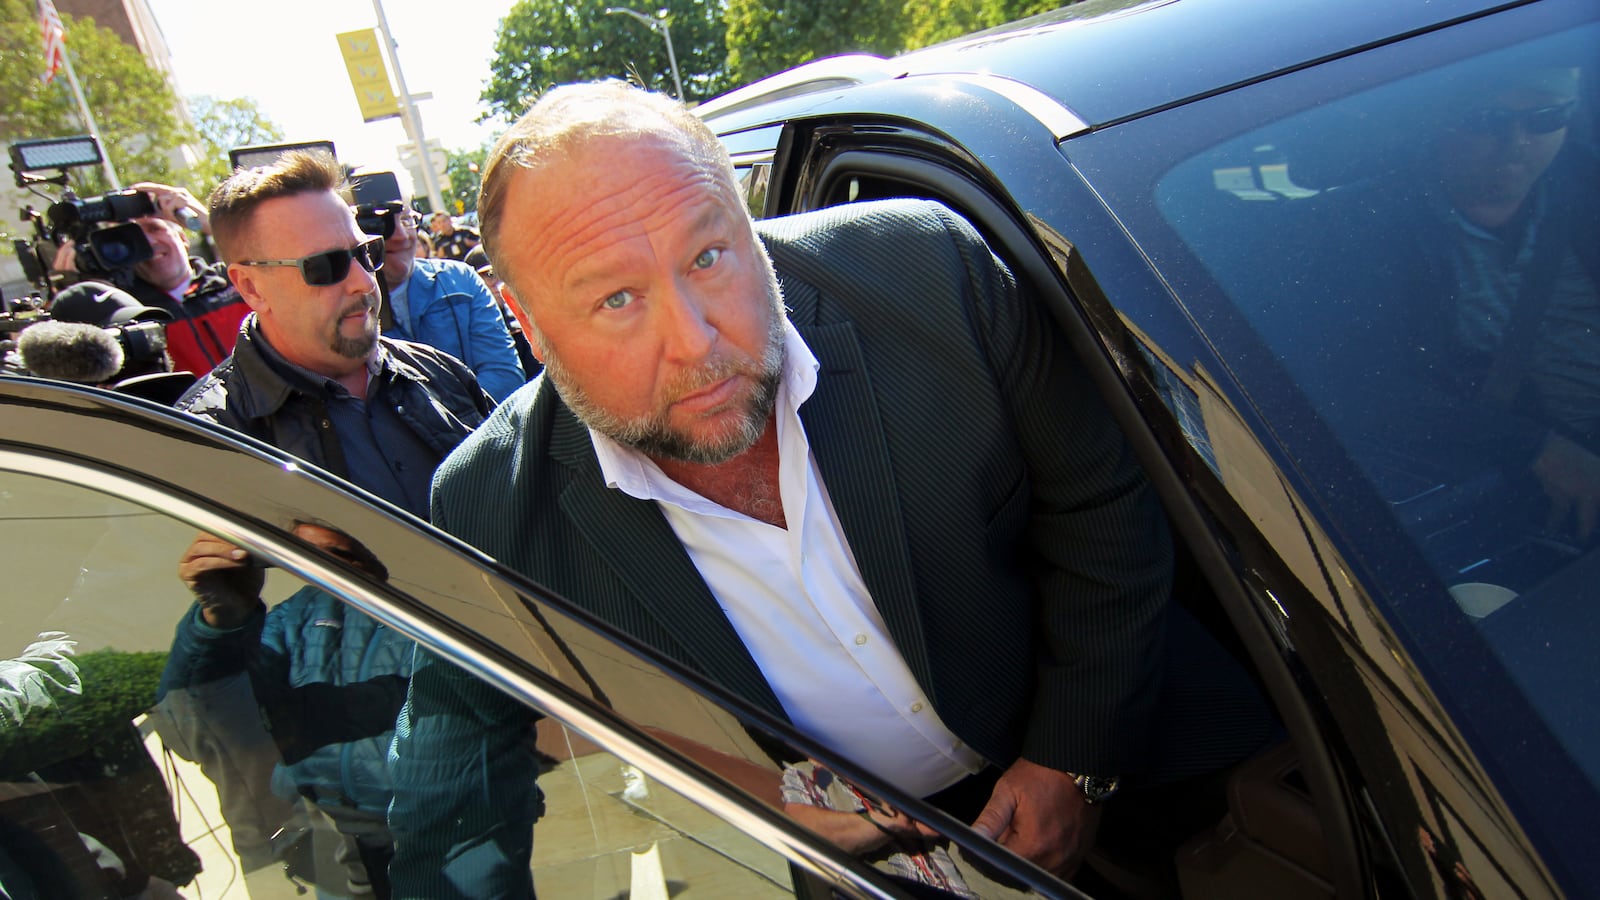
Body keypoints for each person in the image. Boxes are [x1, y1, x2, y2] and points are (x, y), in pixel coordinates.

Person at [399, 81, 1272, 894]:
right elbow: (464, 769)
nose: (697, 339)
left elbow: (1101, 510)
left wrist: (1075, 761)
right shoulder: (488, 510)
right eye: (616, 301)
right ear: (529, 324)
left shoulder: (931, 278)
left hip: (1148, 780)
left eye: (709, 255)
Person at [159, 150, 498, 898]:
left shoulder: (437, 378)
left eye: (365, 254)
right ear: (249, 284)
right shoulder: (208, 442)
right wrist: (228, 601)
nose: (360, 280)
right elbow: (191, 700)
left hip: (505, 764)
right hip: (355, 828)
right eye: (325, 266)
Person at [54, 182, 253, 378]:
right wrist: (76, 291)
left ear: (183, 237)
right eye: (132, 238)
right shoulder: (126, 313)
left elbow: (277, 260)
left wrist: (214, 225)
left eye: (154, 228)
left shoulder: (235, 279)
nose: (148, 243)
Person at [372, 201, 526, 401]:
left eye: (406, 220)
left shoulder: (460, 281)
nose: (400, 235)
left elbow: (506, 378)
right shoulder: (343, 307)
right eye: (383, 224)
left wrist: (449, 424)